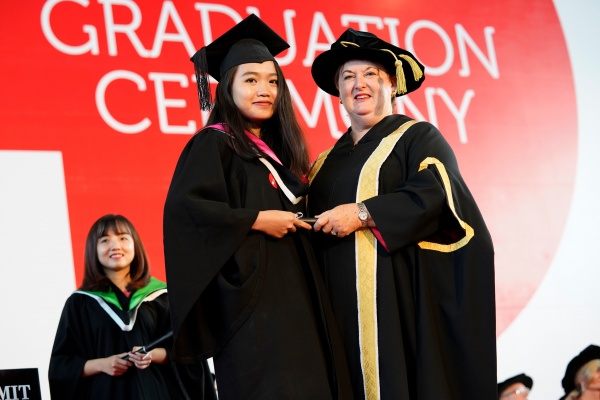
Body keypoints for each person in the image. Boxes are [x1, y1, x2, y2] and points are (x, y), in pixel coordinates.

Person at [163, 14, 351, 400]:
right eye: (250, 80)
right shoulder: (214, 145)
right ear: (226, 87)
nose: (264, 90)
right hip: (253, 314)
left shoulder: (283, 157)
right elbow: (188, 213)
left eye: (272, 81)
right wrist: (256, 220)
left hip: (300, 303)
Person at [308, 28, 497, 399]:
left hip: (395, 309)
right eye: (348, 77)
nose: (358, 84)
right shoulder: (323, 164)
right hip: (334, 310)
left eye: (370, 75)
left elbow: (436, 194)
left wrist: (362, 213)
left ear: (391, 85)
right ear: (338, 92)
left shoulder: (416, 137)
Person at [48, 214, 186, 399]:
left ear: (135, 245)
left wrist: (153, 354)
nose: (115, 246)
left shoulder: (161, 297)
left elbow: (186, 352)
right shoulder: (80, 303)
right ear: (93, 250)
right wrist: (102, 364)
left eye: (123, 238)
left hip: (156, 392)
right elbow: (61, 366)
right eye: (105, 240)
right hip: (105, 393)